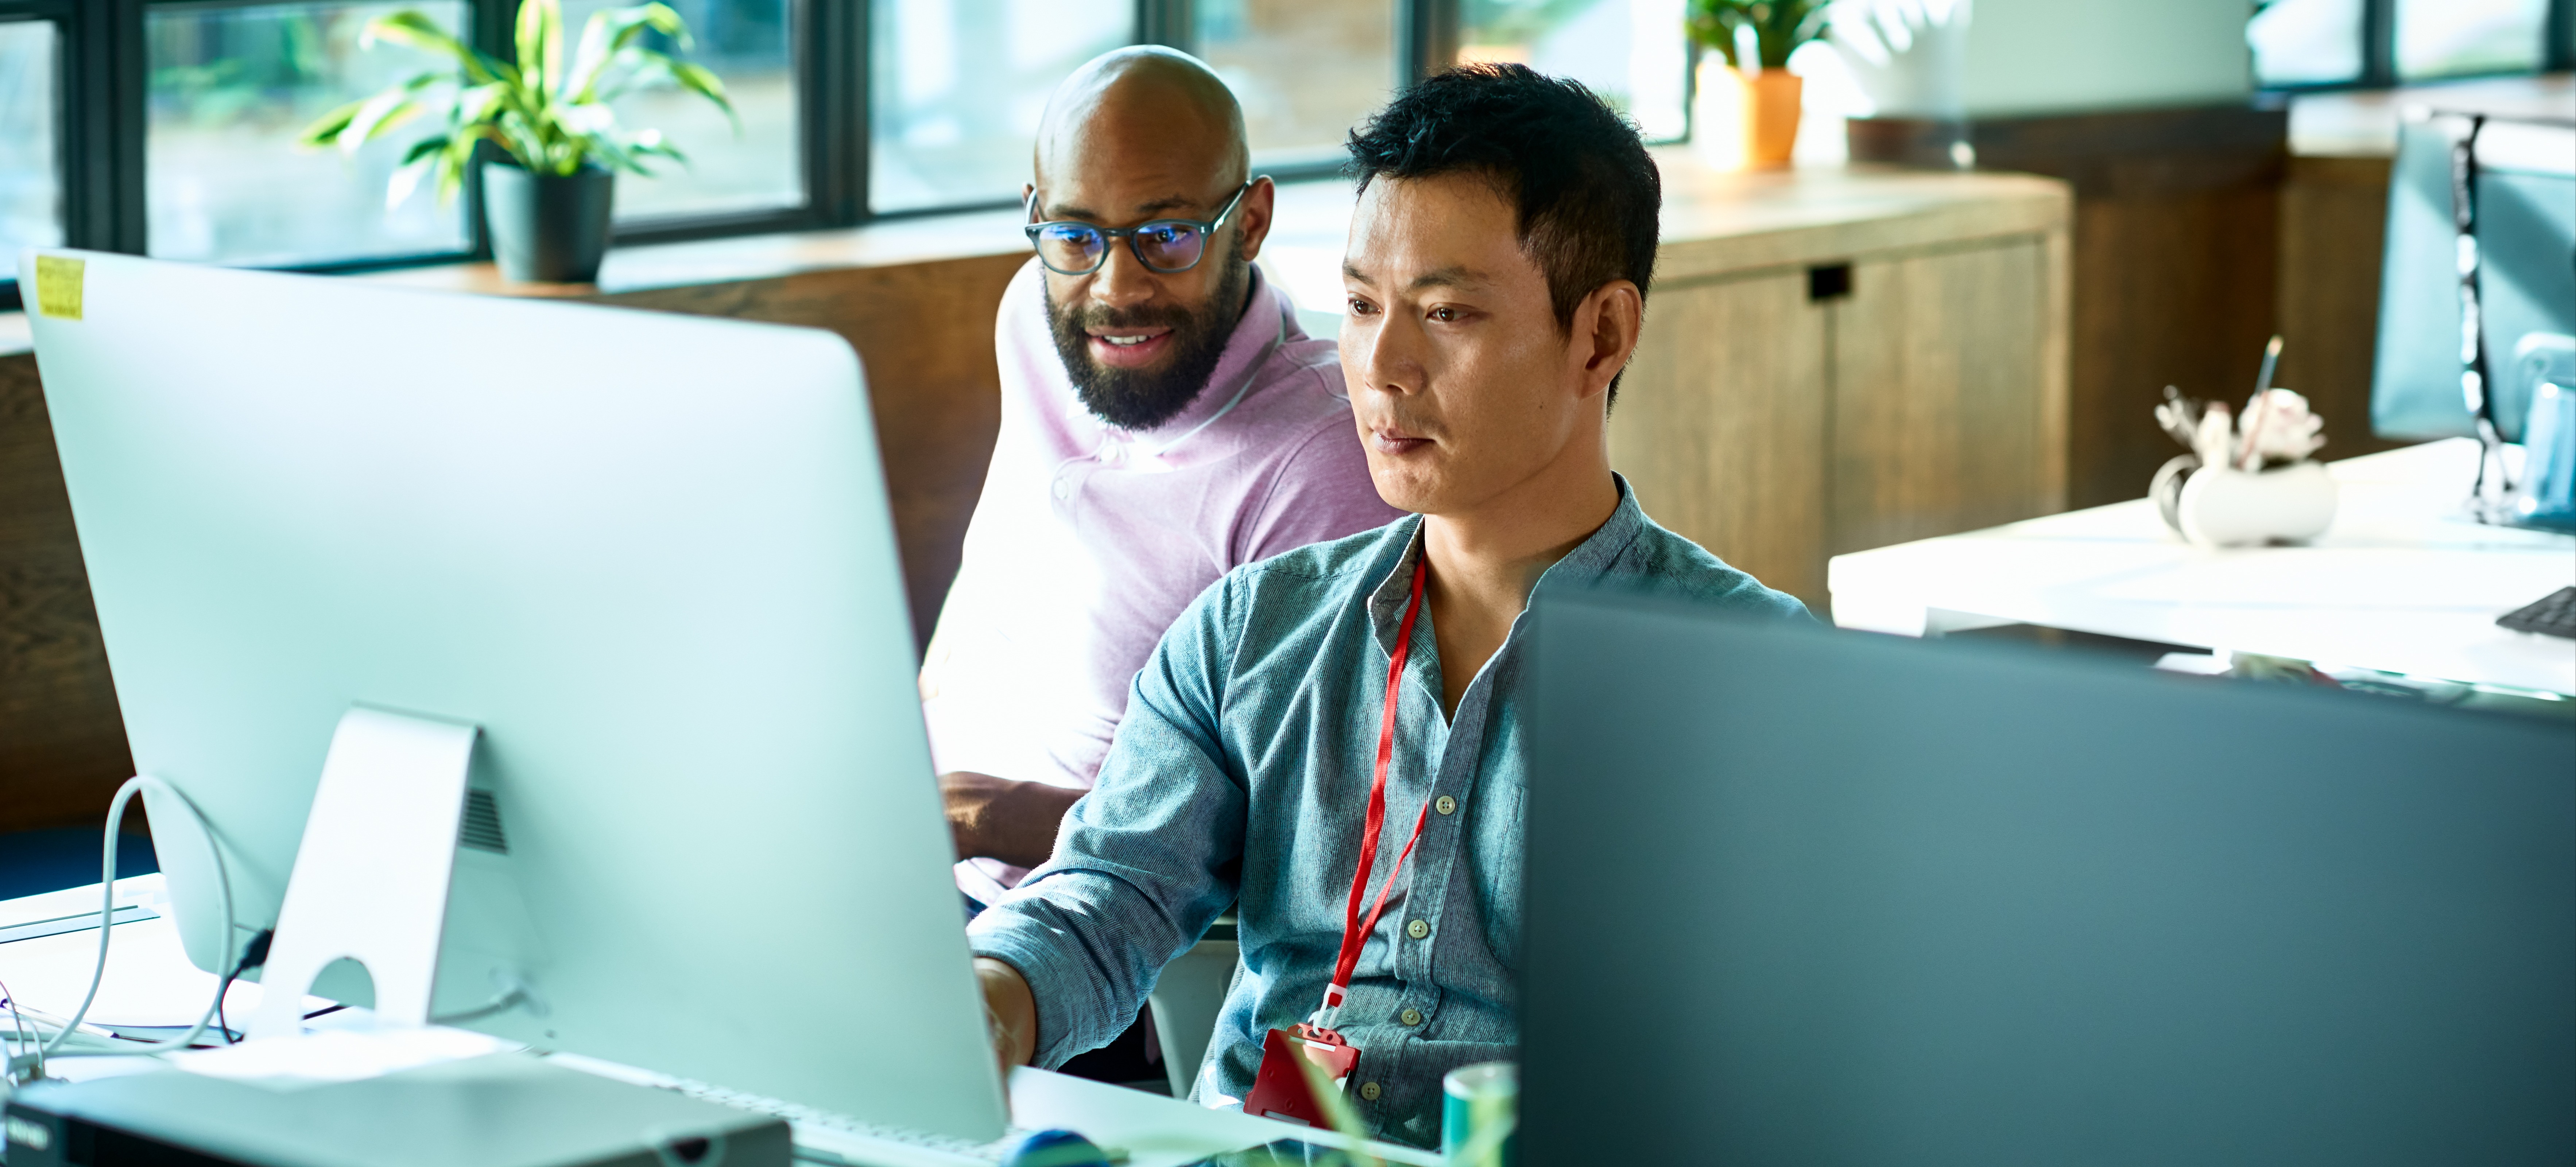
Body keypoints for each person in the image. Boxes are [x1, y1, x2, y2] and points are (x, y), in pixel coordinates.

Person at [965, 63, 1813, 1148]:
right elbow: (1110, 894)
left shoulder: (1751, 672)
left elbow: (1770, 1055)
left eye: (1447, 312)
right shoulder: (1249, 633)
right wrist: (991, 993)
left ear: (1600, 337)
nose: (1383, 366)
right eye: (1362, 305)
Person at [921, 47, 1400, 902]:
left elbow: (1307, 833)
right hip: (916, 854)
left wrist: (982, 815)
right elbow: (993, 571)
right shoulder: (1033, 315)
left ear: (1250, 223)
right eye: (1074, 235)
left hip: (1095, 930)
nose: (1114, 286)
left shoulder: (1321, 458)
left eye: (1165, 236)